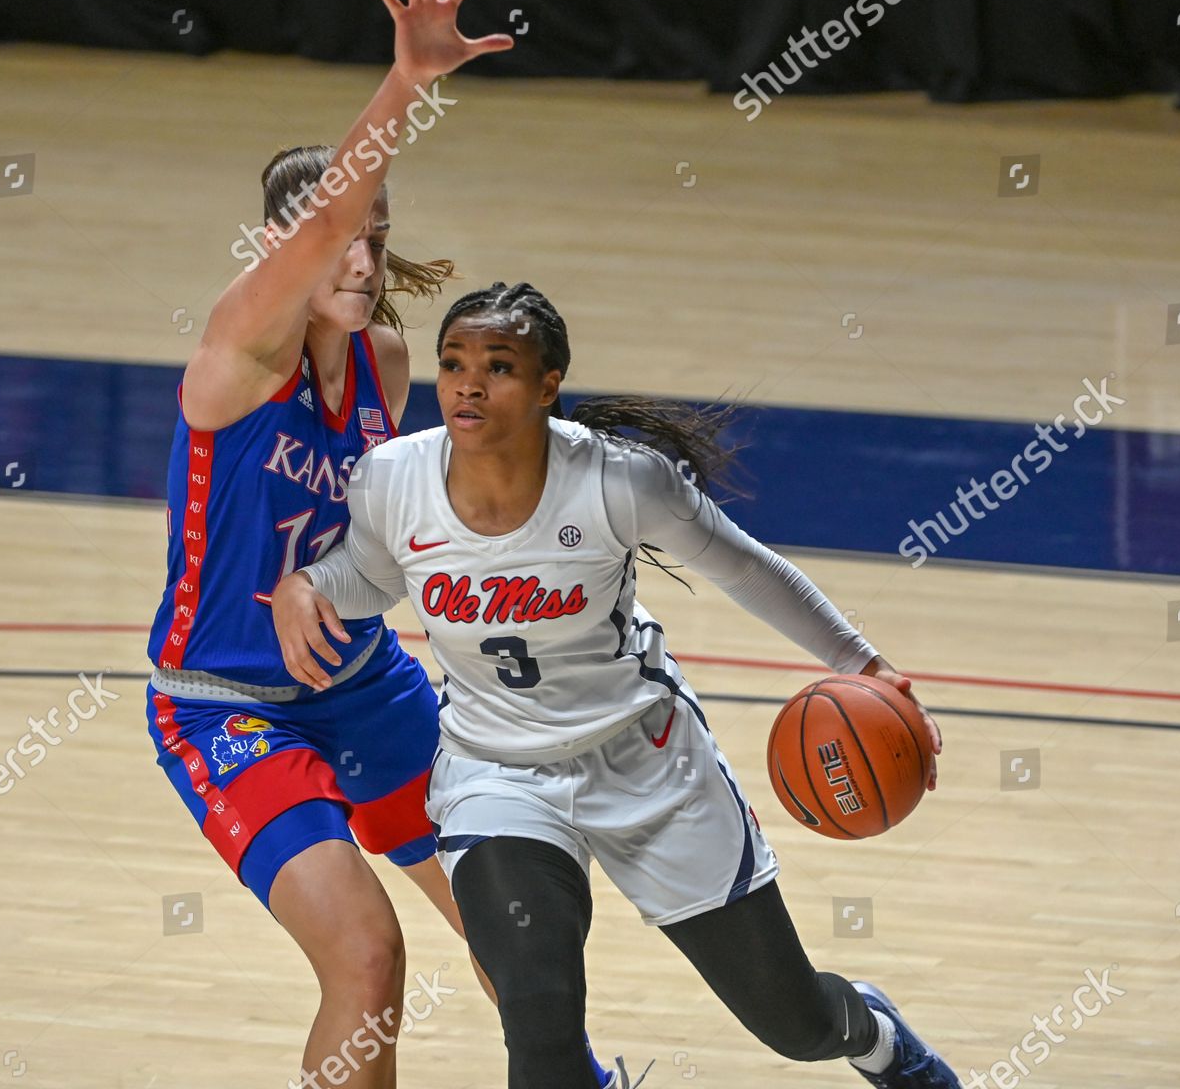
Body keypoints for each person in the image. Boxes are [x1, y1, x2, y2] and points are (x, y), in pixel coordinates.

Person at [271, 281, 963, 1088]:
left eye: (498, 367)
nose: (468, 384)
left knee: (794, 1022)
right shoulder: (395, 479)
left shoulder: (619, 481)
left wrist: (864, 664)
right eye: (454, 363)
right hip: (499, 776)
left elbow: (746, 568)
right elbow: (368, 573)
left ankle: (878, 1041)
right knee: (539, 1022)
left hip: (647, 765)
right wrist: (310, 584)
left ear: (547, 385)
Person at [144, 0, 624, 1089]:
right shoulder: (232, 361)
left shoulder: (389, 362)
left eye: (377, 229)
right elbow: (323, 223)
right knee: (367, 957)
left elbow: (388, 529)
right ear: (284, 250)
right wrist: (408, 82)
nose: (361, 253)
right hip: (226, 705)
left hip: (363, 683)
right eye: (337, 234)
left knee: (522, 930)